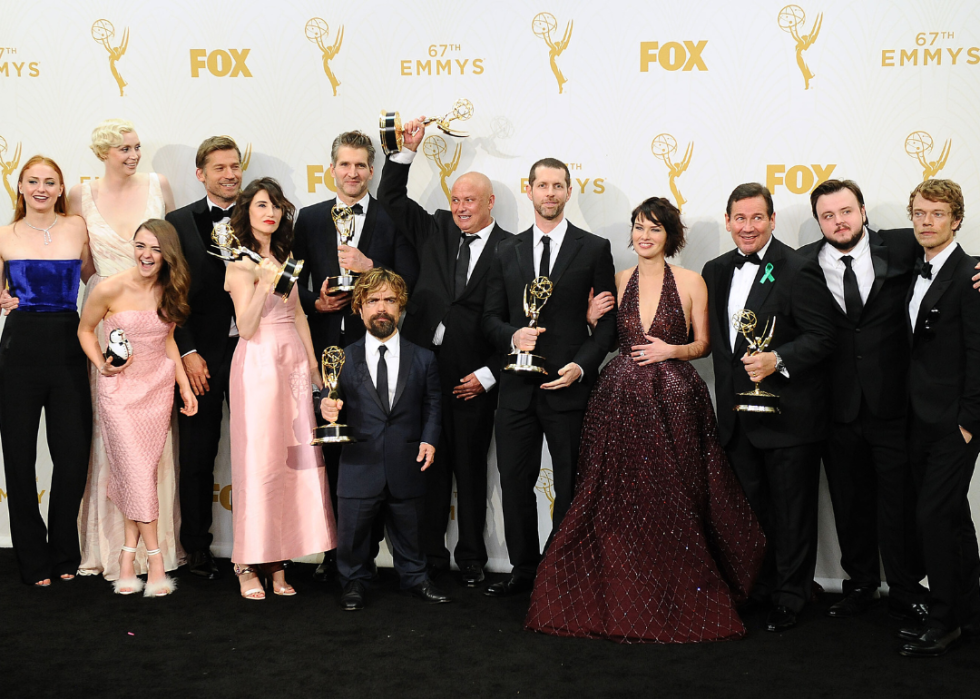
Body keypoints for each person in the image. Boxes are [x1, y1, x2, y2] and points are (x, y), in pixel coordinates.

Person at [525, 197, 765, 642]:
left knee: (677, 495)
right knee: (613, 497)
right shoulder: (618, 279)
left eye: (654, 228)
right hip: (617, 400)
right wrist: (590, 317)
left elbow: (705, 345)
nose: (645, 236)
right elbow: (605, 339)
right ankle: (618, 586)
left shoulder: (692, 281)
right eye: (638, 227)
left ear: (669, 236)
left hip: (675, 399)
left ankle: (680, 588)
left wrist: (670, 351)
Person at [377, 116, 512, 587]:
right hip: (423, 373)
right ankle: (430, 556)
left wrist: (490, 375)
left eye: (469, 200)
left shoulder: (513, 251)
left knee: (472, 471)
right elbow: (391, 198)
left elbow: (517, 328)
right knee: (427, 470)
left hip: (474, 377)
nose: (460, 207)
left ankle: (471, 557)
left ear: (490, 203)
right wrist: (406, 151)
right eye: (455, 199)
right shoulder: (434, 228)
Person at [701, 183, 836, 632]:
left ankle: (792, 595)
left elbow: (823, 337)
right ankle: (758, 588)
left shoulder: (798, 268)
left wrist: (777, 359)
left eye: (757, 218)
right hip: (737, 419)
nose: (748, 227)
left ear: (773, 220)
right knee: (751, 512)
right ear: (727, 221)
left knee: (793, 513)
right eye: (739, 218)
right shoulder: (715, 269)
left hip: (788, 416)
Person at [481, 158, 617, 597]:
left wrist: (581, 366)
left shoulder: (595, 248)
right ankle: (523, 569)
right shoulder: (507, 250)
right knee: (515, 482)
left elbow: (609, 327)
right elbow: (489, 319)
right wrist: (511, 334)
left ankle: (563, 566)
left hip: (569, 387)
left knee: (571, 482)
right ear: (530, 190)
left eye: (558, 185)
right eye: (543, 185)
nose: (551, 193)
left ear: (569, 190)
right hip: (516, 391)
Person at [797, 180, 928, 622]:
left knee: (899, 501)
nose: (840, 221)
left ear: (864, 210)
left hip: (894, 402)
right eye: (828, 216)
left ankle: (906, 587)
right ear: (818, 222)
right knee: (849, 503)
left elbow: (948, 267)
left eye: (846, 211)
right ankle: (860, 585)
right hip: (835, 406)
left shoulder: (906, 245)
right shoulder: (802, 264)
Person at [292, 130, 418, 583]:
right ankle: (337, 553)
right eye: (344, 165)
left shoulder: (391, 218)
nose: (352, 173)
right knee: (333, 452)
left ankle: (378, 553)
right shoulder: (307, 219)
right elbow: (290, 283)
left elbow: (412, 280)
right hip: (325, 351)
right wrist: (316, 303)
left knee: (374, 449)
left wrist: (371, 269)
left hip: (378, 354)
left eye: (361, 165)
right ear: (332, 169)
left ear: (371, 170)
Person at [68, 118, 180, 582]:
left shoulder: (160, 185)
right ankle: (116, 549)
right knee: (115, 449)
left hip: (154, 338)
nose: (134, 155)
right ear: (103, 153)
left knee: (150, 452)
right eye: (124, 149)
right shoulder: (78, 195)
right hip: (111, 339)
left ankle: (147, 555)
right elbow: (84, 266)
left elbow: (171, 250)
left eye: (137, 147)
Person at [225, 177, 336, 600]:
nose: (269, 213)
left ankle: (277, 560)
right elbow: (247, 326)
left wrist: (311, 365)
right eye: (260, 206)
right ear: (246, 213)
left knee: (293, 464)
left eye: (275, 206)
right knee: (258, 463)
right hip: (256, 366)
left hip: (291, 363)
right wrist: (262, 282)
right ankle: (245, 562)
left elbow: (300, 316)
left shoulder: (288, 256)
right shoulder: (238, 264)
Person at [77, 219, 197, 596]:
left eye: (156, 249)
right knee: (137, 474)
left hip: (157, 390)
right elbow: (84, 330)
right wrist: (101, 365)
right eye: (141, 246)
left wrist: (184, 386)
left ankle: (128, 558)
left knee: (139, 476)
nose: (147, 255)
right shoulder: (110, 287)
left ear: (168, 254)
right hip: (119, 393)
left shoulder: (169, 289)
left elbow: (169, 342)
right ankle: (157, 560)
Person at [320, 267, 448, 610]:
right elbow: (326, 399)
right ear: (359, 307)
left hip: (407, 459)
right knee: (353, 536)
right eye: (373, 300)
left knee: (412, 531)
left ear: (400, 307)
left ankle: (417, 578)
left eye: (389, 300)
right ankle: (353, 582)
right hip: (359, 462)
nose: (381, 307)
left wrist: (430, 440)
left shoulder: (423, 357)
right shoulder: (341, 358)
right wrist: (326, 408)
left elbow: (434, 403)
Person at [0, 156, 95, 586]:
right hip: (19, 348)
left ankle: (64, 552)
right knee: (18, 459)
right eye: (33, 181)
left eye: (50, 182)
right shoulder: (3, 235)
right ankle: (33, 560)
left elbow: (92, 278)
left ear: (61, 189)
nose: (41, 188)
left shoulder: (78, 227)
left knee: (73, 456)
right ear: (19, 187)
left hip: (68, 342)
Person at [899, 179, 980, 657]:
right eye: (919, 213)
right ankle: (969, 612)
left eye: (937, 214)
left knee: (932, 515)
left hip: (955, 421)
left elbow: (979, 350)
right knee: (954, 519)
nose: (926, 222)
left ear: (956, 220)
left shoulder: (971, 274)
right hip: (917, 418)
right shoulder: (913, 266)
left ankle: (945, 618)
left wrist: (969, 419)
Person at [165, 136, 243, 580]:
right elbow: (169, 294)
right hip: (202, 355)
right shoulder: (175, 223)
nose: (230, 174)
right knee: (197, 453)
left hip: (255, 350)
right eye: (220, 168)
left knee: (262, 450)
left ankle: (266, 546)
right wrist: (188, 350)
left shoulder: (263, 213)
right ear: (201, 175)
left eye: (235, 166)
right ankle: (196, 547)